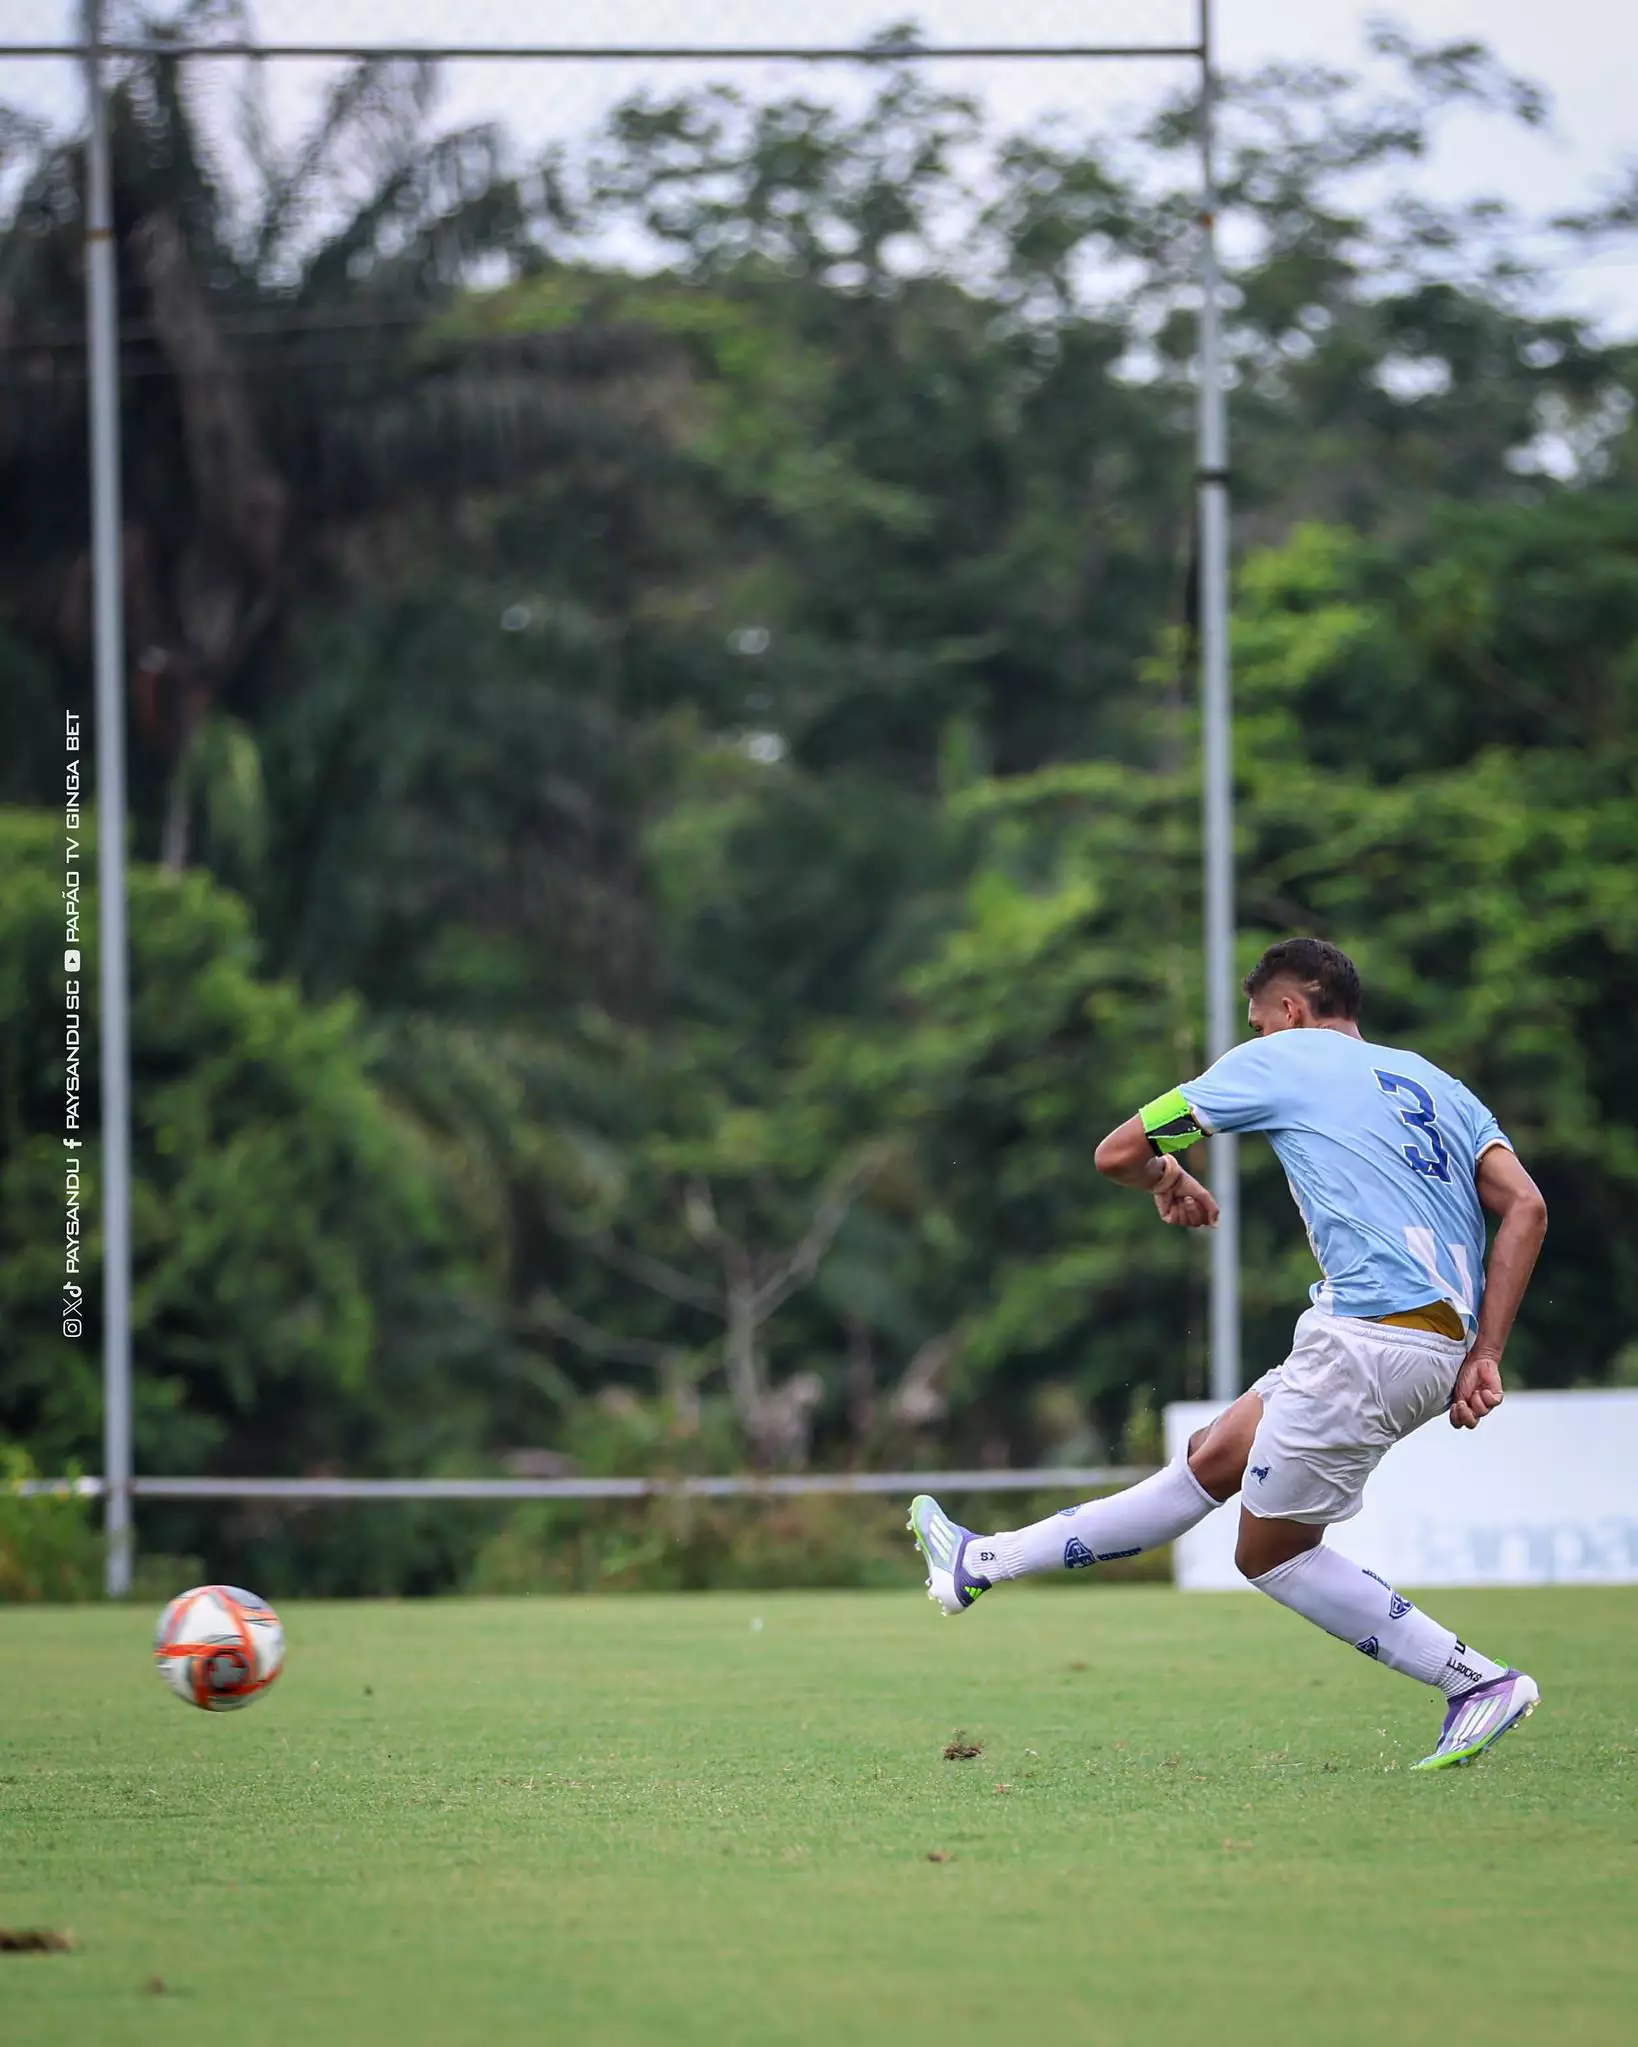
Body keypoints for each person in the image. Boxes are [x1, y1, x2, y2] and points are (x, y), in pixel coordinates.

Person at [909, 937, 1549, 1772]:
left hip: (1367, 1339)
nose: (1253, 1033)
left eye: (1256, 1019)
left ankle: (1477, 1682)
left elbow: (1118, 1152)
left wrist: (1167, 1176)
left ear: (1290, 1011)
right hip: (1423, 1338)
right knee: (1212, 1458)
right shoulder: (1437, 1085)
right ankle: (978, 1561)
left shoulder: (1274, 1061)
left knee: (1270, 1554)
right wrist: (1487, 1350)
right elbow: (1526, 1207)